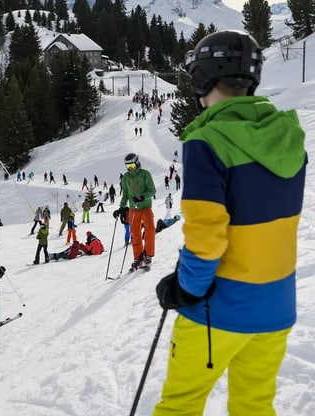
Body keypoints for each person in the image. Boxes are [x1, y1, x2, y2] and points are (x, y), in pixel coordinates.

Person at [153, 30, 307, 415]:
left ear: (202, 77)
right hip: (276, 307)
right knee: (254, 406)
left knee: (180, 406)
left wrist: (186, 288)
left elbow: (207, 238)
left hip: (219, 308)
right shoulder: (287, 137)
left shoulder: (207, 141)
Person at [117, 152, 156, 271]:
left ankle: (148, 256)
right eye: (128, 167)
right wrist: (121, 207)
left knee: (150, 230)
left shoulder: (145, 174)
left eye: (132, 166)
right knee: (135, 234)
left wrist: (143, 197)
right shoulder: (126, 177)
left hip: (145, 207)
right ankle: (138, 257)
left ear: (137, 163)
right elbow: (125, 194)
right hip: (133, 210)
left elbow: (152, 191)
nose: (130, 169)